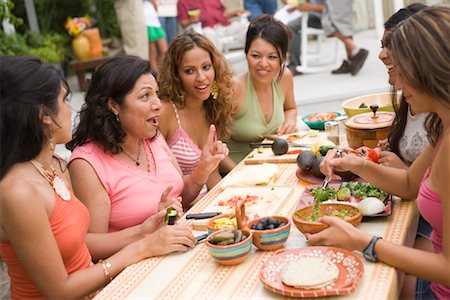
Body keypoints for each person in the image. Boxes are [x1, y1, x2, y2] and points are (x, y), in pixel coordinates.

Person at [0, 56, 196, 299]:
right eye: (64, 100)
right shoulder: (18, 192)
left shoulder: (54, 167)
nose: (71, 110)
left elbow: (81, 244)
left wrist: (144, 230)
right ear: (44, 115)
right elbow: (59, 290)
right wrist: (142, 247)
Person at [316, 5, 450, 299]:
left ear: (429, 69)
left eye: (401, 72)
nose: (396, 83)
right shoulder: (443, 127)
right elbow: (408, 185)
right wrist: (357, 164)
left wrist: (364, 241)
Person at [66, 55, 227, 259]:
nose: (157, 104)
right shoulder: (87, 163)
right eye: (145, 96)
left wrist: (202, 169)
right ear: (114, 105)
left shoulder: (152, 138)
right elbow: (90, 245)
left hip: (178, 250)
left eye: (156, 94)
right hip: (132, 271)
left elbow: (179, 196)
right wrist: (144, 232)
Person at [158, 31, 234, 197]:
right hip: (179, 210)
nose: (201, 77)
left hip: (208, 206)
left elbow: (212, 175)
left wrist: (232, 197)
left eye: (206, 67)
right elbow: (156, 180)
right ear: (176, 75)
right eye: (190, 71)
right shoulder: (165, 112)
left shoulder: (212, 107)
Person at [223, 14, 298, 169]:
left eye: (272, 57)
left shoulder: (284, 77)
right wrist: (237, 173)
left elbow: (291, 108)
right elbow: (209, 144)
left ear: (283, 58)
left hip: (274, 165)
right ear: (246, 54)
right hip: (237, 172)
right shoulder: (235, 88)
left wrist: (289, 122)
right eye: (256, 56)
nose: (263, 64)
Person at [378, 3, 429, 170]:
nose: (381, 55)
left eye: (390, 46)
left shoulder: (442, 116)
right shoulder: (410, 98)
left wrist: (404, 170)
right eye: (382, 46)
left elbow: (418, 184)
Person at [285, 0, 369, 76]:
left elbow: (333, 9)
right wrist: (299, 7)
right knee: (342, 21)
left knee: (292, 26)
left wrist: (311, 7)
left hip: (325, 16)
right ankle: (352, 57)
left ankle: (293, 66)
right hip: (330, 15)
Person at [177, 0, 250, 52]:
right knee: (209, 34)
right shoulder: (183, 2)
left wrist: (235, 13)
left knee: (246, 26)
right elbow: (183, 23)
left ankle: (250, 54)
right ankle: (219, 64)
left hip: (222, 25)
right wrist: (191, 20)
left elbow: (223, 13)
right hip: (204, 28)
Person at [143, 0, 168, 73]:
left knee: (162, 51)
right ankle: (156, 75)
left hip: (154, 21)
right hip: (147, 22)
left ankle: (161, 73)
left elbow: (156, 7)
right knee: (153, 52)